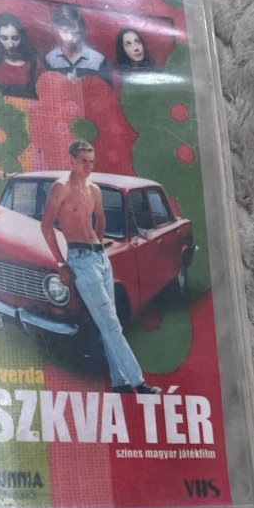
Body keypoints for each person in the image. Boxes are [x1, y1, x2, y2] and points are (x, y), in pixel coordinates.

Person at [40, 140, 161, 395]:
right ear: (71, 160)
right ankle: (139, 383)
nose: (88, 166)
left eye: (91, 161)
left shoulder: (94, 189)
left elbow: (101, 220)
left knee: (109, 323)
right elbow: (46, 226)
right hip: (80, 261)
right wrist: (61, 263)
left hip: (100, 258)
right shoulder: (61, 187)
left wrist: (99, 247)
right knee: (111, 324)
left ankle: (119, 381)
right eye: (83, 161)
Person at [44, 3, 110, 83]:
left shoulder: (98, 61)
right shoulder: (50, 59)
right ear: (57, 30)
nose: (70, 38)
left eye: (75, 33)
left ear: (81, 31)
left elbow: (104, 89)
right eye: (65, 32)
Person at [0, 12, 39, 98]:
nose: (10, 45)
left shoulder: (34, 63)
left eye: (15, 38)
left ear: (22, 37)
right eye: (4, 38)